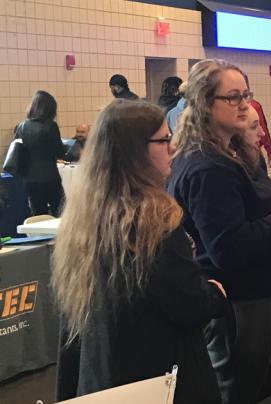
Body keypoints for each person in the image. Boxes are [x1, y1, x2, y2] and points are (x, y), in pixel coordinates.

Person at [51, 100, 227, 404]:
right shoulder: (153, 221)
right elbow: (189, 306)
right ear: (133, 151)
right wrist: (215, 294)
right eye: (163, 140)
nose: (172, 148)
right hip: (160, 381)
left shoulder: (84, 218)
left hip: (102, 379)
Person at [167, 59, 271, 404]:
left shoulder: (233, 151)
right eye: (233, 97)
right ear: (203, 103)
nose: (244, 104)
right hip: (244, 308)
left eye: (246, 94)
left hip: (266, 299)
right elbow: (228, 250)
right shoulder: (207, 167)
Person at [14, 90, 66, 216]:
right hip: (50, 176)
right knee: (60, 211)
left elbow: (18, 151)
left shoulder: (21, 126)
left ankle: (40, 236)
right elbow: (59, 151)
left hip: (29, 178)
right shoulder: (51, 126)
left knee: (38, 214)